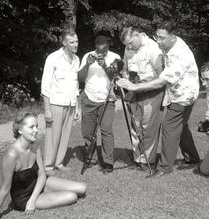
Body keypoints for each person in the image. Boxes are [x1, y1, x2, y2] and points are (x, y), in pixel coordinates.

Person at [117, 20, 200, 176]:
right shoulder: (167, 44)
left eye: (162, 38)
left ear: (173, 36)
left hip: (184, 94)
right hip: (173, 91)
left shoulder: (178, 54)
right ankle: (192, 158)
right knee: (180, 126)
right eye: (157, 37)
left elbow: (162, 80)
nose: (159, 41)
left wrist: (135, 87)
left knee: (169, 127)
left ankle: (164, 167)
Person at [0, 112, 87, 213]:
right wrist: (31, 201)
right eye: (31, 127)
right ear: (20, 130)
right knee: (72, 196)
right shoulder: (12, 154)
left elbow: (41, 175)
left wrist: (34, 198)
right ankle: (45, 195)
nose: (36, 130)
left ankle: (45, 193)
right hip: (24, 198)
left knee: (82, 188)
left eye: (36, 126)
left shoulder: (35, 145)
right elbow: (5, 189)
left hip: (39, 184)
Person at [119, 26, 165, 170]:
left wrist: (144, 83)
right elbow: (125, 69)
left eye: (131, 43)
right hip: (134, 93)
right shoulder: (128, 49)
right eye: (126, 45)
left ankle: (148, 161)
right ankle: (137, 158)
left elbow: (162, 75)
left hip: (150, 93)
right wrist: (126, 77)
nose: (129, 46)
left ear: (138, 35)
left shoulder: (153, 47)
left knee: (148, 128)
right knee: (135, 126)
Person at [41, 26, 81, 176]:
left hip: (71, 103)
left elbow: (76, 84)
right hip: (56, 103)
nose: (76, 44)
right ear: (64, 43)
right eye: (72, 42)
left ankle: (59, 162)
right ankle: (48, 166)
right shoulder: (53, 58)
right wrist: (47, 109)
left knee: (65, 135)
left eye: (77, 41)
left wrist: (77, 107)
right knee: (53, 135)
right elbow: (45, 85)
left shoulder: (76, 59)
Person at [78, 35, 121, 174]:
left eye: (104, 49)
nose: (101, 52)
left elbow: (114, 76)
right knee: (88, 132)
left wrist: (104, 66)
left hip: (107, 99)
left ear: (108, 45)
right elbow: (80, 78)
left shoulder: (115, 56)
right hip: (89, 98)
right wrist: (87, 64)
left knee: (106, 130)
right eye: (98, 49)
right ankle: (91, 158)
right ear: (95, 47)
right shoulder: (87, 56)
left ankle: (108, 162)